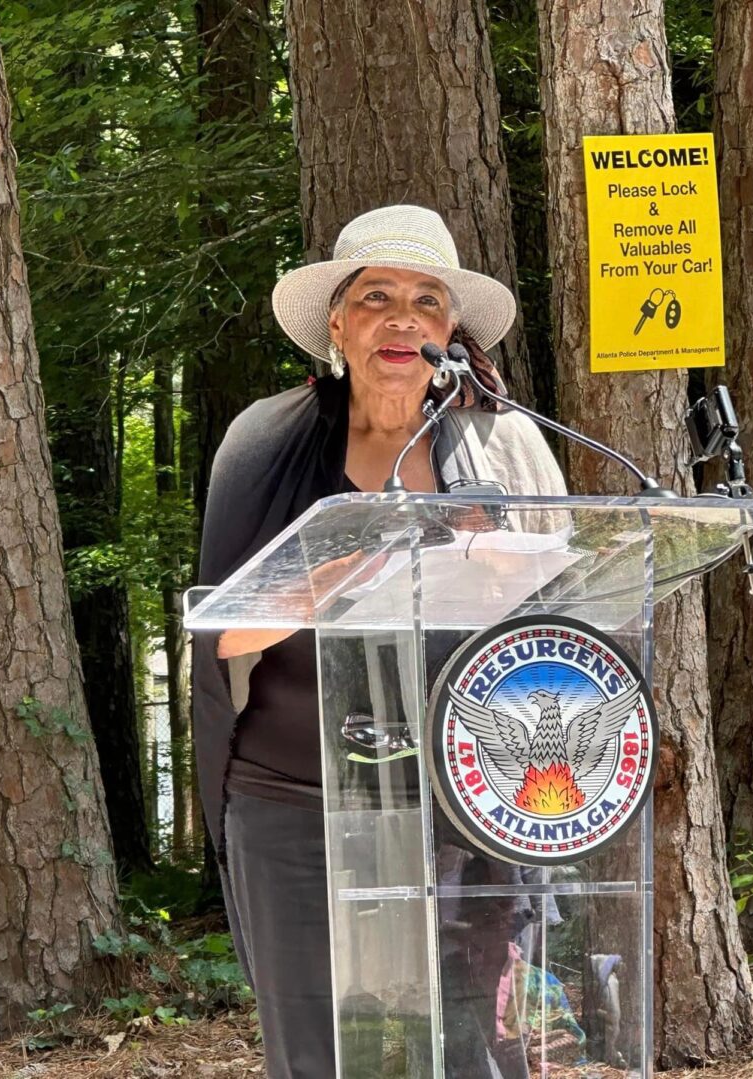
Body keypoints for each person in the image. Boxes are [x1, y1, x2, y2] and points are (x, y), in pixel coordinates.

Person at [192, 204, 567, 1078]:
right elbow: (222, 631)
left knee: (477, 1049)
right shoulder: (265, 441)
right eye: (376, 297)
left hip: (464, 805)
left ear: (450, 332)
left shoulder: (504, 443)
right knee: (323, 1054)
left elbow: (563, 618)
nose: (402, 319)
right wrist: (352, 563)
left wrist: (492, 560)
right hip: (292, 803)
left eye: (427, 301)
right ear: (336, 323)